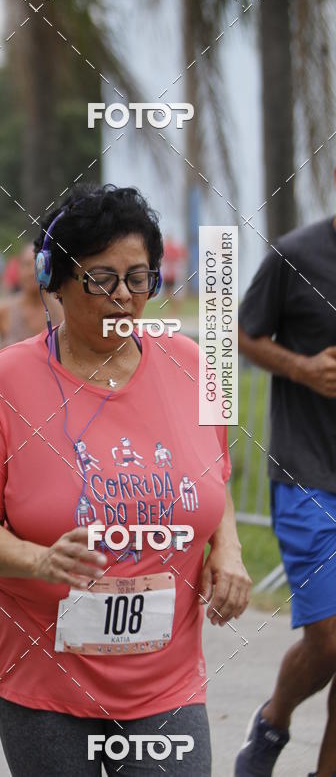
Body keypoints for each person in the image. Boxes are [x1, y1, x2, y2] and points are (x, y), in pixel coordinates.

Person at [0, 184, 251, 777]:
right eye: (101, 279)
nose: (124, 297)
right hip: (44, 674)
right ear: (55, 282)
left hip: (166, 679)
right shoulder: (5, 382)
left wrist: (229, 549)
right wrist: (39, 561)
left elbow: (213, 477)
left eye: (139, 278)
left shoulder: (192, 366)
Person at [235, 173, 336, 777]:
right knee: (330, 639)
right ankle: (274, 721)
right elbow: (240, 333)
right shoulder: (295, 256)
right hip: (308, 473)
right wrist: (302, 368)